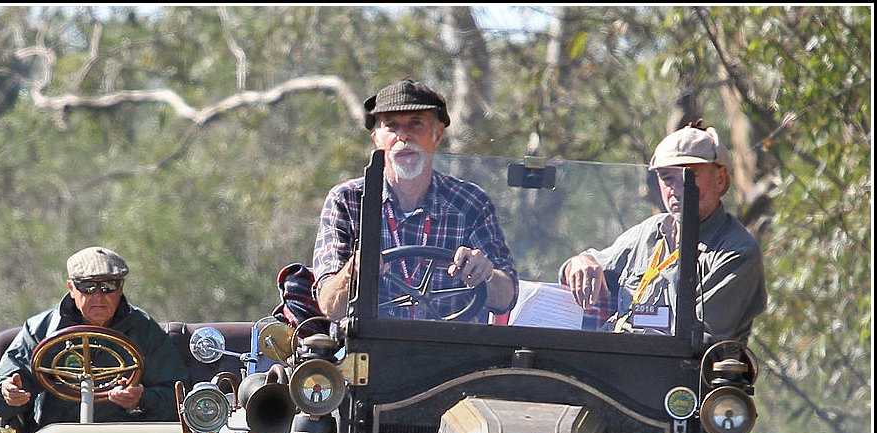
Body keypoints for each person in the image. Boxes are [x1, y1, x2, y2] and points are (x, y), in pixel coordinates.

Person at [312, 78, 518, 322]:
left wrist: (486, 273)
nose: (404, 137)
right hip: (369, 351)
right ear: (376, 137)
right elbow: (328, 306)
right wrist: (354, 270)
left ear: (437, 134)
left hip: (453, 350)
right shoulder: (346, 200)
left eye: (416, 124)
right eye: (391, 126)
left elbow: (508, 296)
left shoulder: (470, 202)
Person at [559, 122, 766, 342]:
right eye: (667, 178)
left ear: (720, 179)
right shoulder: (650, 231)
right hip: (614, 359)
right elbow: (589, 266)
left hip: (675, 371)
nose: (677, 189)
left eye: (690, 176)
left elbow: (695, 342)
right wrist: (579, 263)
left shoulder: (735, 251)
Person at [0, 246, 189, 429]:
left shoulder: (143, 330)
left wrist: (141, 398)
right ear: (71, 288)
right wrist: (8, 393)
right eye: (87, 287)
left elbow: (179, 395)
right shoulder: (41, 330)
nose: (98, 296)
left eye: (108, 286)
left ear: (121, 287)